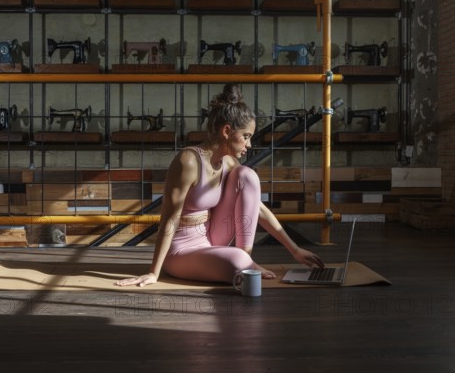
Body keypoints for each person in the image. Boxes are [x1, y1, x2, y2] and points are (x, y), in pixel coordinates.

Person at [115, 83, 324, 287]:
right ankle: (244, 263)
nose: (249, 145)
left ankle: (246, 261)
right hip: (180, 250)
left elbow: (256, 208)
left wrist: (294, 249)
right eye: (246, 137)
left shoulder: (229, 162)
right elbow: (169, 219)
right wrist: (154, 272)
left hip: (210, 238)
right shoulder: (188, 161)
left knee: (248, 175)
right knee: (237, 262)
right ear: (226, 131)